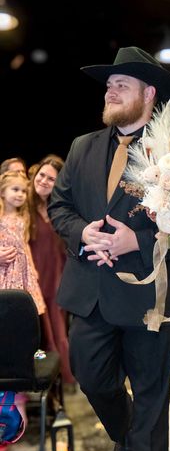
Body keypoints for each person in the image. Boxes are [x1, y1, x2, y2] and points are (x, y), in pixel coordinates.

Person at [48, 46, 170, 451]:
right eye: (108, 86)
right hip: (91, 292)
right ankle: (125, 432)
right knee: (90, 375)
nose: (109, 91)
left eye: (120, 85)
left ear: (148, 94)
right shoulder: (83, 146)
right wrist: (83, 233)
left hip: (150, 296)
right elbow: (59, 207)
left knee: (150, 393)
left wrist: (141, 239)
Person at [28, 155, 74, 385]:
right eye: (42, 175)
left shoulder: (61, 210)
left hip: (57, 280)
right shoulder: (22, 208)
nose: (44, 181)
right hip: (29, 282)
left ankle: (60, 388)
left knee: (57, 334)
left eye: (51, 179)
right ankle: (31, 388)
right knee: (35, 336)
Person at [0, 171, 45, 314]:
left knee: (20, 309)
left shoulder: (23, 218)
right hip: (4, 268)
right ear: (2, 192)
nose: (20, 194)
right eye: (15, 190)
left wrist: (32, 267)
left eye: (24, 191)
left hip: (21, 269)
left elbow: (24, 245)